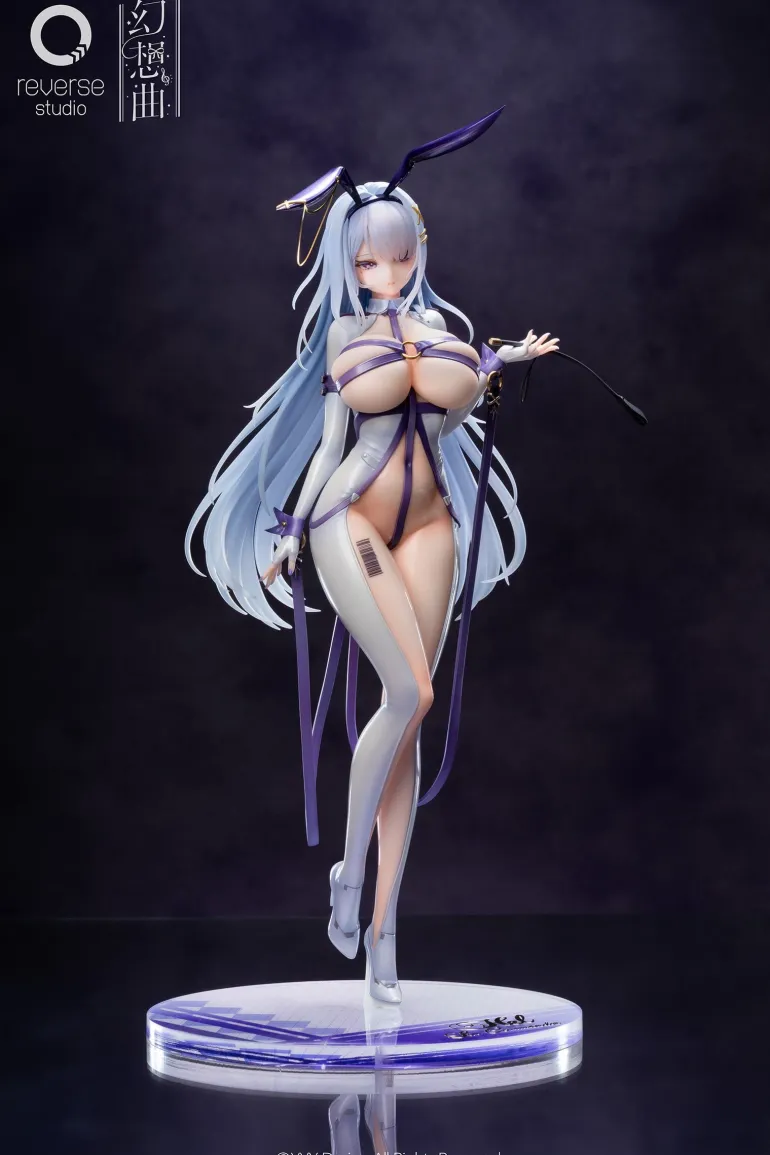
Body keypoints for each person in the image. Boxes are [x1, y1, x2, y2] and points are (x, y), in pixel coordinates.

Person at [185, 110, 559, 1003]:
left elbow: (451, 421)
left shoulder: (441, 329)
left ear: (419, 248)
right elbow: (328, 448)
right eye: (365, 263)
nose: (383, 274)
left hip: (431, 523)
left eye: (395, 257)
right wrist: (286, 531)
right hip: (347, 516)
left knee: (408, 723)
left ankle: (384, 935)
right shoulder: (343, 341)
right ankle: (348, 872)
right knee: (410, 691)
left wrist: (497, 363)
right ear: (346, 265)